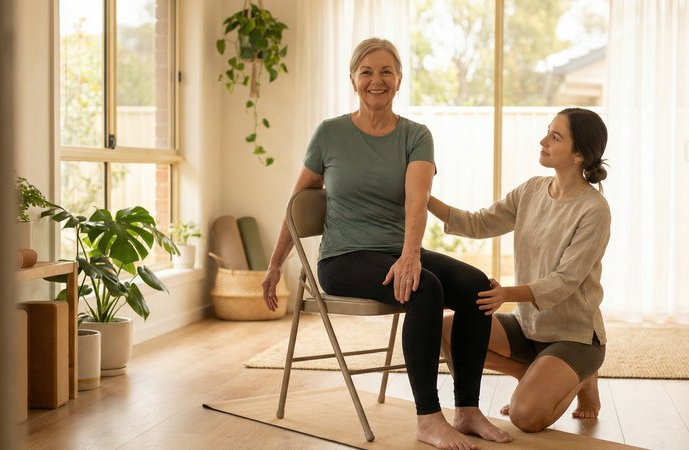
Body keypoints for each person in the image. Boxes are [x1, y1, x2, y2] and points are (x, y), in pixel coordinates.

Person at [261, 37, 511, 450]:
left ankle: (466, 410)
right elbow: (297, 203)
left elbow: (417, 199)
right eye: (367, 72)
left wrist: (411, 254)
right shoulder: (329, 134)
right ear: (353, 80)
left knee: (477, 287)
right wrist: (274, 265)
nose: (376, 80)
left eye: (386, 72)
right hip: (343, 259)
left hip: (397, 252)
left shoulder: (416, 135)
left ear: (399, 80)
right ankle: (428, 419)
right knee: (425, 287)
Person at [428, 107, 611, 433]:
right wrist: (423, 197)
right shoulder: (531, 190)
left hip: (575, 337)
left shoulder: (594, 210)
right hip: (529, 327)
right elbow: (479, 222)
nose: (543, 141)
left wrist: (505, 294)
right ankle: (536, 374)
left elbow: (564, 281)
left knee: (525, 417)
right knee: (443, 329)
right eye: (547, 132)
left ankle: (582, 378)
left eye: (555, 137)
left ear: (579, 154)